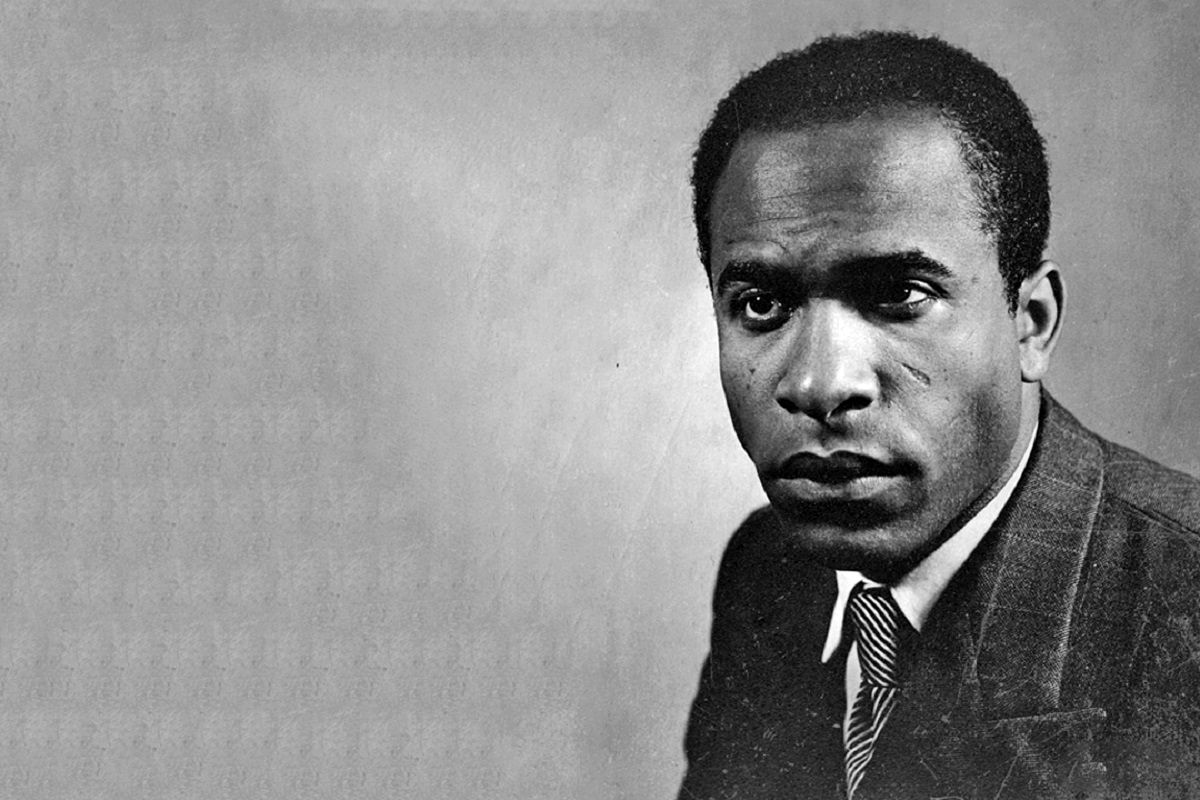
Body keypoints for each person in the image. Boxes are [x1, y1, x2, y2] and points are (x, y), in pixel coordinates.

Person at [677, 31, 1200, 800]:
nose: (821, 383)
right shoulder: (769, 569)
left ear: (1031, 323)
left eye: (899, 295)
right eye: (761, 305)